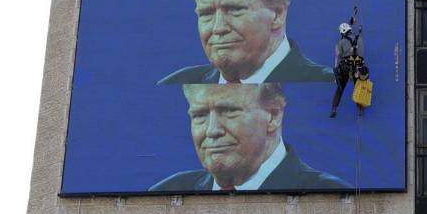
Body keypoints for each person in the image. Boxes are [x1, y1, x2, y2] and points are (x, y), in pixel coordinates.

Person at [159, 0, 333, 84]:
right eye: (206, 13)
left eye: (234, 10)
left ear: (277, 14)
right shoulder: (176, 84)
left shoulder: (328, 84)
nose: (218, 27)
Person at [149, 83, 348, 192]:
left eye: (229, 112)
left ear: (273, 116)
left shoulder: (328, 193)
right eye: (200, 115)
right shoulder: (165, 192)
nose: (211, 130)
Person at [329, 17, 366, 117]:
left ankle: (334, 109)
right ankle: (361, 109)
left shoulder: (341, 42)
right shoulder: (360, 39)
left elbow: (339, 56)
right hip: (358, 67)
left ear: (342, 33)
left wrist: (337, 70)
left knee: (340, 88)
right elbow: (361, 54)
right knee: (358, 88)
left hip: (345, 68)